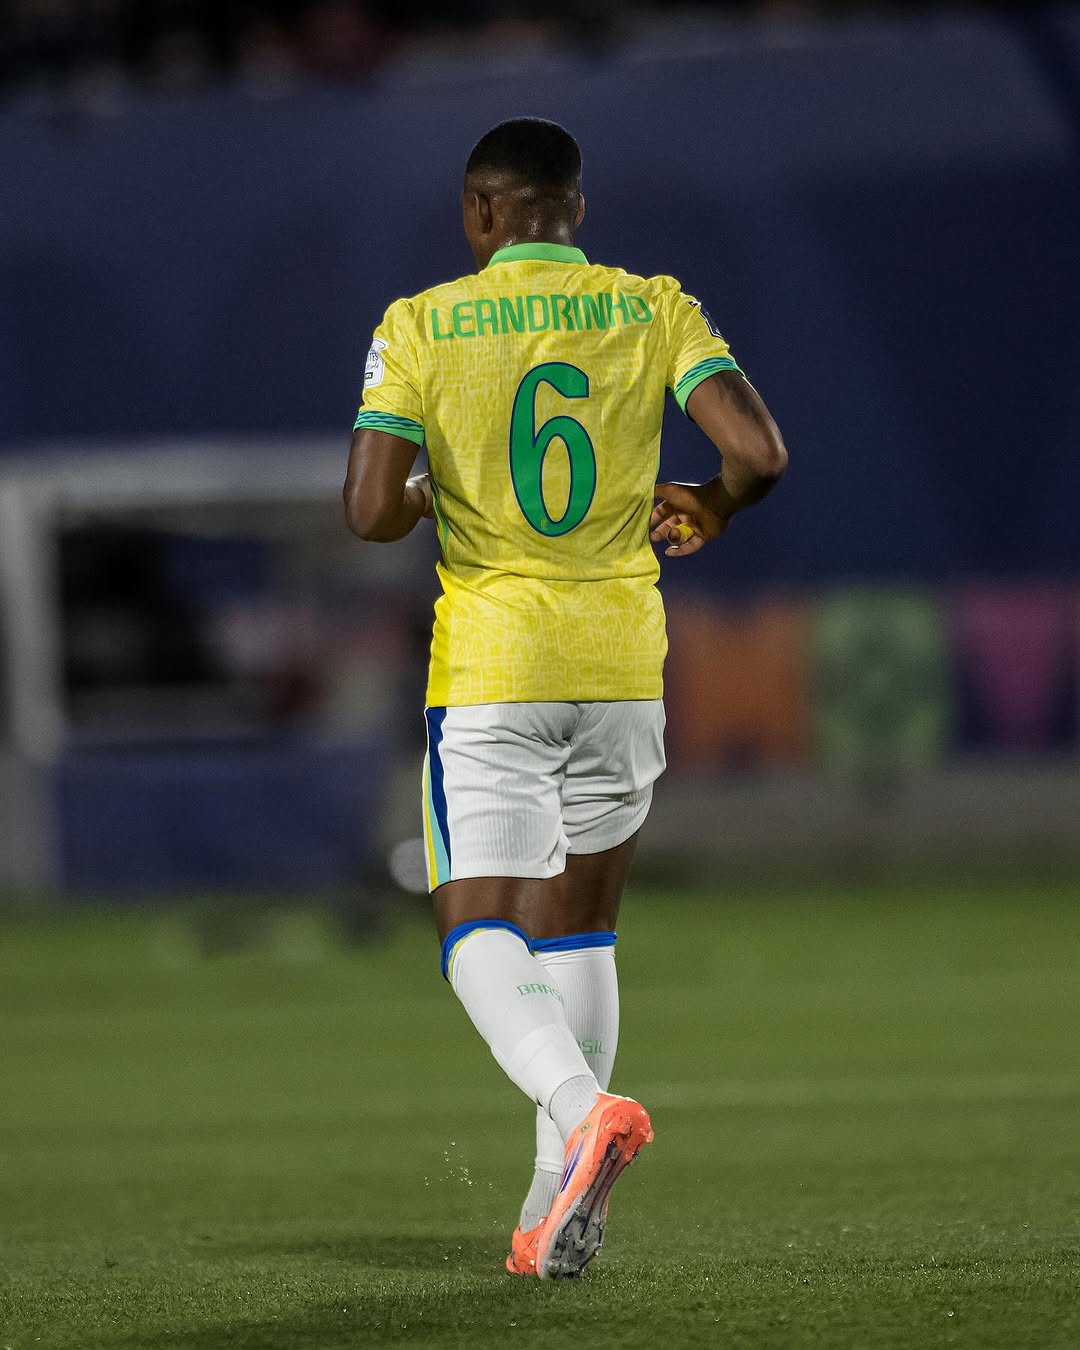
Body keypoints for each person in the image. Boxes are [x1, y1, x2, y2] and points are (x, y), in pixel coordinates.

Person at [343, 117, 787, 1280]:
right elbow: (759, 454)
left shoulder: (420, 324)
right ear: (575, 209)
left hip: (496, 668)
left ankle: (583, 1112)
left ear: (479, 214)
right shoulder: (653, 308)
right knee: (582, 924)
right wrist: (715, 503)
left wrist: (432, 494)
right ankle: (551, 1212)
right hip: (622, 663)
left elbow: (369, 509)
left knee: (475, 925)